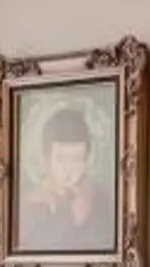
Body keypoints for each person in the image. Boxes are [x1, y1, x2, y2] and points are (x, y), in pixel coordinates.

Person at [16, 98, 107, 255]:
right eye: (60, 158)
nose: (69, 169)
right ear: (47, 159)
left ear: (87, 159)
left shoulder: (101, 202)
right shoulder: (30, 206)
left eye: (77, 158)